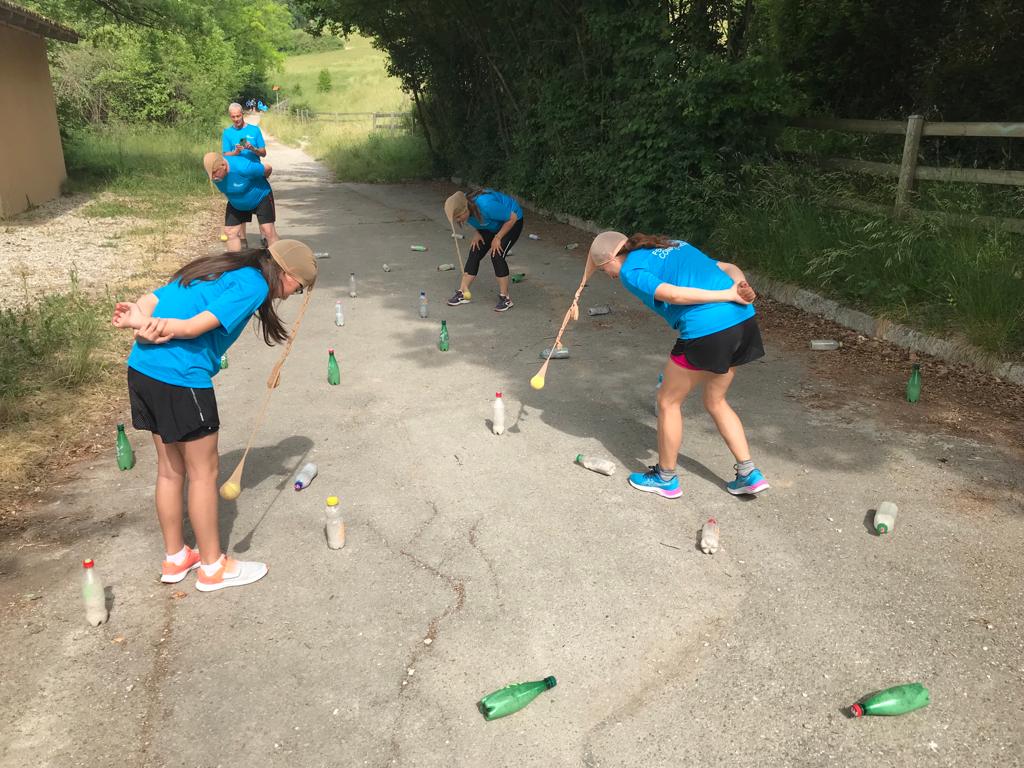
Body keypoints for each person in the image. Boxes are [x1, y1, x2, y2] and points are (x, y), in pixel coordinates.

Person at [111, 240, 317, 591]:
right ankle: (212, 567)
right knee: (203, 474)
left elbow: (150, 299)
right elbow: (194, 327)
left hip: (143, 371)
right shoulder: (254, 284)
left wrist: (140, 319)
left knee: (170, 470)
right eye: (298, 287)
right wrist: (151, 325)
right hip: (181, 376)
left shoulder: (223, 267)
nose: (292, 294)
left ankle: (176, 557)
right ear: (287, 273)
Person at [585, 231, 769, 499]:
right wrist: (740, 286)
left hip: (707, 329)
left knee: (667, 401)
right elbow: (728, 267)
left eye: (605, 270)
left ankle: (665, 479)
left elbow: (673, 295)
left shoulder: (630, 270)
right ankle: (748, 473)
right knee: (715, 400)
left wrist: (729, 294)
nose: (610, 276)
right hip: (742, 322)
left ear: (611, 259)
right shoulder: (672, 244)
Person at [444, 189, 524, 312]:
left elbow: (512, 217)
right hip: (491, 224)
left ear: (466, 209)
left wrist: (498, 237)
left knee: (497, 254)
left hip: (512, 221)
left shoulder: (486, 206)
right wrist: (477, 232)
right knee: (475, 251)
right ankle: (463, 291)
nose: (458, 220)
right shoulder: (461, 204)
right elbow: (475, 219)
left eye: (459, 217)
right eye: (456, 219)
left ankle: (506, 298)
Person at [204, 152, 278, 252]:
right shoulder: (213, 172)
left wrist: (263, 177)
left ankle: (277, 259)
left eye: (215, 172)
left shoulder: (244, 167)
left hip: (260, 197)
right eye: (210, 174)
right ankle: (235, 260)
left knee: (268, 231)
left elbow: (268, 168)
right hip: (236, 202)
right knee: (230, 232)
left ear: (223, 166)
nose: (213, 177)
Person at [222, 102, 268, 166]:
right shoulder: (227, 132)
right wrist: (235, 152)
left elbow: (263, 154)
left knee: (268, 168)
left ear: (242, 114)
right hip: (235, 169)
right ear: (230, 117)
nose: (236, 119)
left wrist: (253, 149)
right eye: (233, 117)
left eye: (238, 116)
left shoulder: (255, 130)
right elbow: (225, 155)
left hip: (253, 168)